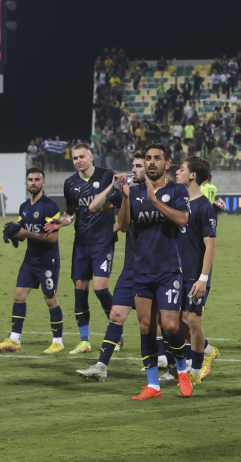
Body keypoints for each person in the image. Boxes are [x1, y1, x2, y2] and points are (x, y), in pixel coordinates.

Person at [116, 144, 194, 400]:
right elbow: (124, 225)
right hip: (141, 270)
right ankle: (153, 385)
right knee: (146, 326)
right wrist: (126, 198)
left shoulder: (177, 190)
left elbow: (182, 219)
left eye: (156, 158)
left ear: (167, 163)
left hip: (168, 270)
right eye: (147, 158)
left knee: (170, 326)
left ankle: (182, 369)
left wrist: (154, 201)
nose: (151, 162)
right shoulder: (134, 191)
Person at [77, 152, 147, 381]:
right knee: (116, 314)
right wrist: (112, 187)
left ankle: (176, 361)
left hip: (157, 268)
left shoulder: (166, 193)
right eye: (133, 165)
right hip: (131, 268)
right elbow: (94, 207)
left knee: (155, 321)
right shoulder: (130, 192)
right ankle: (101, 366)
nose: (134, 169)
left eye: (139, 166)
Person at [45, 143, 116, 355]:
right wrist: (62, 221)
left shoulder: (106, 176)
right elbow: (70, 213)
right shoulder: (70, 183)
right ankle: (84, 341)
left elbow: (118, 200)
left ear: (91, 156)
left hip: (103, 241)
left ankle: (116, 329)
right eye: (75, 158)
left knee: (100, 288)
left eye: (81, 157)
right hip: (81, 243)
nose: (78, 161)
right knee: (79, 291)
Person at [0, 168, 64, 354]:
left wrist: (27, 233)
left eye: (37, 179)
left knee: (50, 299)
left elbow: (52, 239)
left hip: (48, 261)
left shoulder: (50, 207)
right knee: (18, 295)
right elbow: (22, 235)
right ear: (26, 183)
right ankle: (15, 340)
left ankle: (58, 341)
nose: (33, 182)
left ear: (43, 183)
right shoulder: (24, 208)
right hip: (30, 261)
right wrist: (15, 233)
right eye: (30, 180)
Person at [176, 156, 221, 384]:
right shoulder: (179, 203)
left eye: (182, 169)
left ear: (193, 175)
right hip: (177, 272)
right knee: (181, 320)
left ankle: (195, 370)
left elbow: (210, 245)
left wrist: (203, 278)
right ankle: (207, 350)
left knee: (193, 320)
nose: (178, 172)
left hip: (196, 273)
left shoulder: (204, 206)